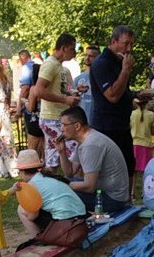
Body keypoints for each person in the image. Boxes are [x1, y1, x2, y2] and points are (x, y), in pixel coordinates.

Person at [91, 26, 152, 184]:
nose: (129, 49)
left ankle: (127, 201)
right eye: (125, 44)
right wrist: (125, 70)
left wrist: (136, 95)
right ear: (113, 42)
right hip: (107, 127)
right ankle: (110, 203)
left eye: (131, 44)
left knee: (128, 166)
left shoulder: (119, 61)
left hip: (122, 125)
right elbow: (112, 96)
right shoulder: (101, 63)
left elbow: (122, 91)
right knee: (111, 170)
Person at [56, 106, 132, 214]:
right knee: (63, 185)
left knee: (61, 193)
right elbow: (70, 172)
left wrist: (63, 185)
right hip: (105, 193)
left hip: (113, 199)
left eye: (64, 125)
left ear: (77, 126)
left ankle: (74, 225)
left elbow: (89, 186)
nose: (61, 129)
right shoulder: (85, 140)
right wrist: (61, 152)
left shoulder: (91, 145)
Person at [10, 149, 86, 238]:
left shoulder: (32, 185)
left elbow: (32, 217)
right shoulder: (50, 177)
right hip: (81, 218)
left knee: (21, 209)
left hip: (65, 223)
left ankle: (37, 238)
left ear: (22, 171)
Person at [32, 34, 81, 169]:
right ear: (64, 48)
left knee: (53, 157)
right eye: (72, 49)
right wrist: (66, 99)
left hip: (54, 118)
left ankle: (49, 185)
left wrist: (74, 91)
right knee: (75, 150)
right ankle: (78, 185)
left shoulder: (59, 66)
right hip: (53, 118)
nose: (74, 53)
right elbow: (39, 91)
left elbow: (58, 90)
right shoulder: (50, 64)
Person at [17, 50, 43, 154]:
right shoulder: (38, 66)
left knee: (32, 140)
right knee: (41, 138)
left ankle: (30, 165)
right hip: (41, 109)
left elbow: (25, 89)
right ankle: (40, 162)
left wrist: (19, 107)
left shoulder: (26, 68)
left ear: (22, 57)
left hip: (31, 111)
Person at [130, 98, 154, 188]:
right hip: (146, 145)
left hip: (134, 144)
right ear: (147, 103)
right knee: (145, 171)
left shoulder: (132, 114)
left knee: (133, 171)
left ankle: (132, 192)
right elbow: (153, 131)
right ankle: (144, 191)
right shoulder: (151, 115)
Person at [74, 45, 99, 127]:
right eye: (86, 55)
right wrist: (76, 92)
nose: (87, 58)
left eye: (91, 56)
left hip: (96, 122)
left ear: (97, 58)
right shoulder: (78, 79)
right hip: (80, 122)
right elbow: (72, 100)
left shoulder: (100, 78)